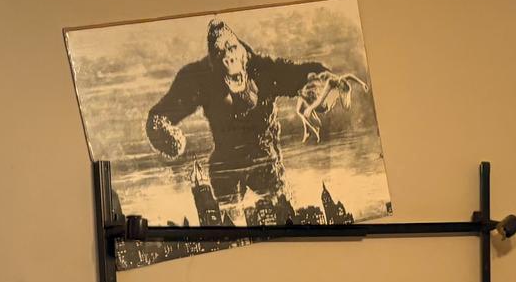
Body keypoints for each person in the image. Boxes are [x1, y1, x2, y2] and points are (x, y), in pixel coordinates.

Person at [146, 19, 363, 208]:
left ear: (242, 54)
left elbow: (296, 72)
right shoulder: (201, 78)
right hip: (226, 163)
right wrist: (165, 135)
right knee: (230, 222)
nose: (228, 58)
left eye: (231, 49)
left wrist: (321, 81)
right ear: (214, 60)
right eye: (221, 53)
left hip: (265, 159)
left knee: (282, 212)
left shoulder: (263, 70)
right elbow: (160, 115)